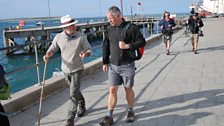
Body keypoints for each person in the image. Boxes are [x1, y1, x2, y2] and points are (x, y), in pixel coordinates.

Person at [43, 15, 92, 126]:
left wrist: (85, 54)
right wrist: (47, 55)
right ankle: (82, 103)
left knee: (73, 93)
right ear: (65, 27)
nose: (74, 26)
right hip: (65, 70)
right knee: (74, 90)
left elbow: (89, 49)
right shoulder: (59, 37)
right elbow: (52, 49)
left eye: (73, 24)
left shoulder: (81, 36)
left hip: (77, 69)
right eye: (71, 25)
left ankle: (70, 119)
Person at [101, 6, 146, 125]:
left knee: (128, 89)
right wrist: (105, 61)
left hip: (127, 65)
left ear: (118, 16)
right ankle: (109, 115)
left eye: (111, 18)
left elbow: (142, 41)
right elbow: (105, 45)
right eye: (109, 18)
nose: (109, 20)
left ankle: (131, 111)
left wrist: (127, 46)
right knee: (112, 90)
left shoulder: (131, 28)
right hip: (113, 65)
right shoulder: (108, 28)